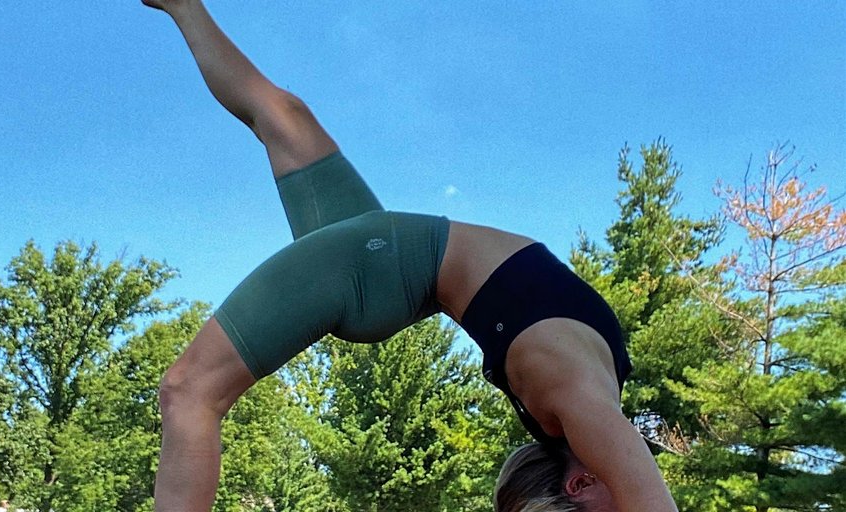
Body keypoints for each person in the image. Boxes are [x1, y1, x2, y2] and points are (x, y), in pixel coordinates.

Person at [141, 1, 679, 511]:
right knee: (281, 114)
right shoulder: (587, 406)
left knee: (189, 389)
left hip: (379, 264)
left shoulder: (572, 401)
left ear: (579, 484)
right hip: (390, 263)